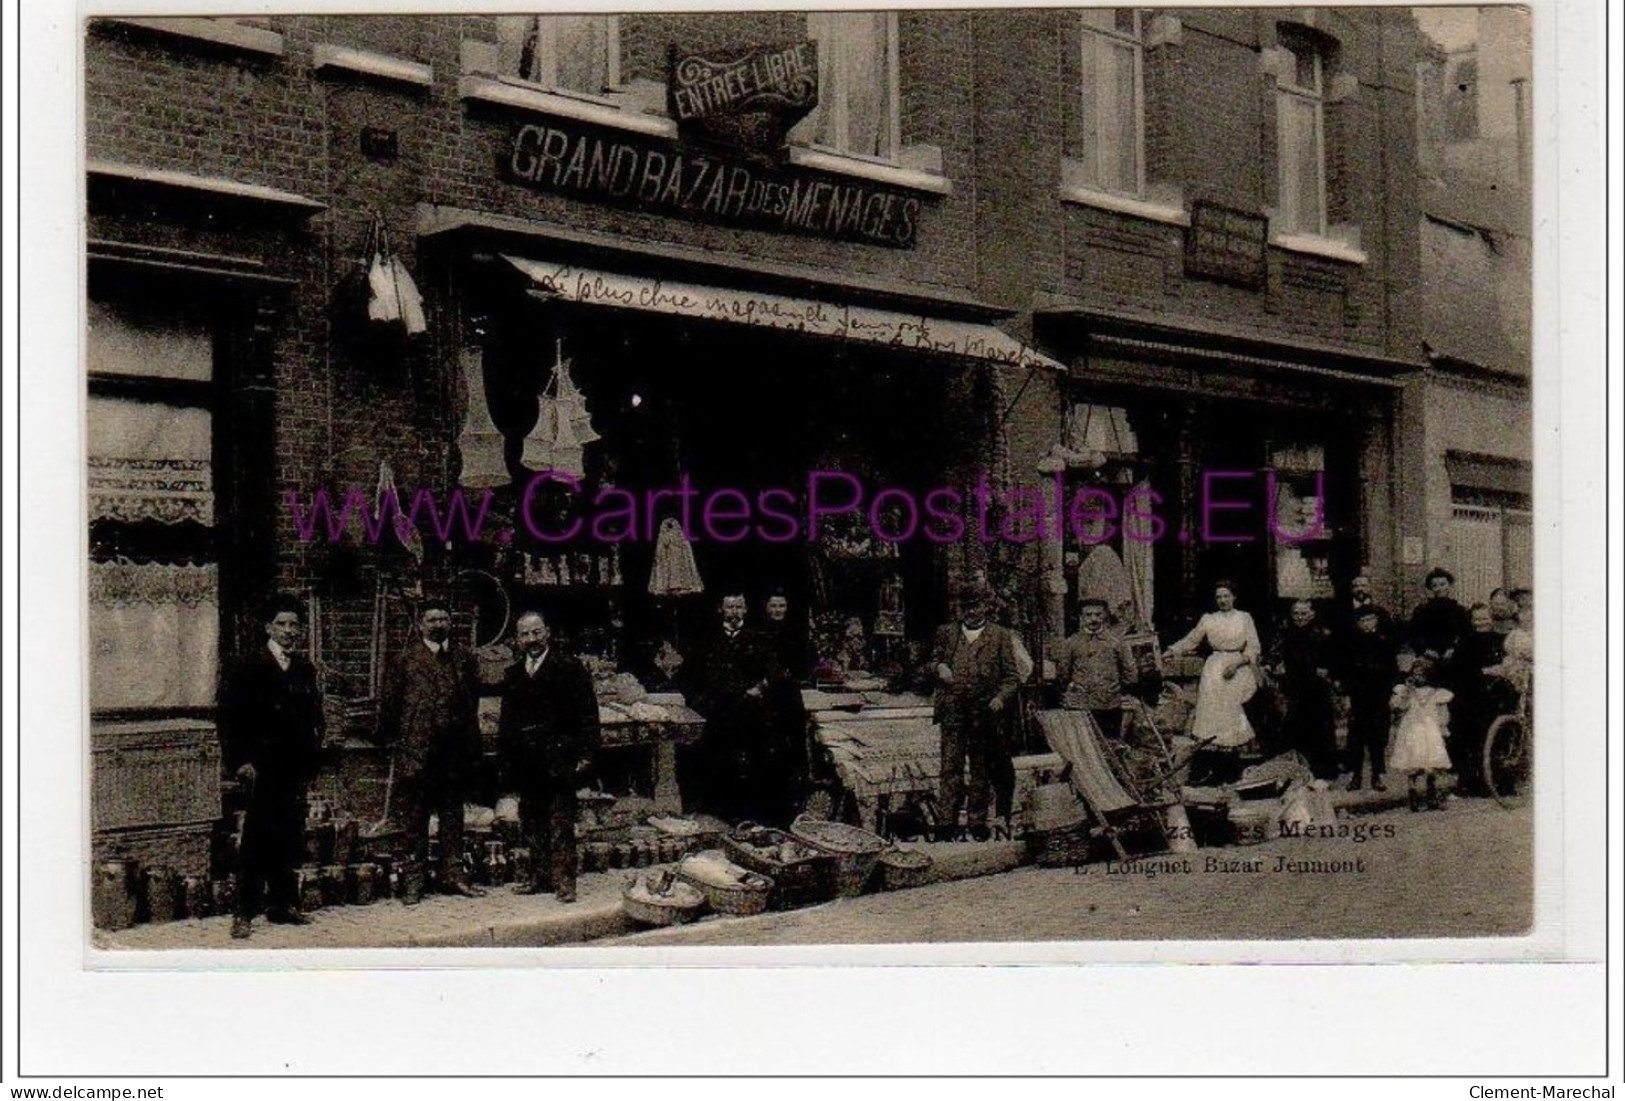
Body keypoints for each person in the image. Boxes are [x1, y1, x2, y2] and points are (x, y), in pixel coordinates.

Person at [221, 594, 326, 940]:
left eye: (294, 624)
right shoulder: (247, 665)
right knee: (256, 836)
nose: (289, 631)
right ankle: (244, 911)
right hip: (260, 765)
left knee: (289, 832)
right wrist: (240, 761)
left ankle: (282, 905)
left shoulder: (304, 669)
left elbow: (314, 716)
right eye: (281, 624)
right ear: (268, 627)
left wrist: (313, 753)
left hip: (294, 764)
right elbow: (230, 718)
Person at [378, 596, 487, 900]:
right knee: (415, 818)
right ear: (419, 624)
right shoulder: (405, 660)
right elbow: (390, 707)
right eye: (432, 619)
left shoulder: (464, 659)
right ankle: (414, 881)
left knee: (453, 816)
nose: (439, 624)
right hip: (418, 751)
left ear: (451, 623)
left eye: (443, 619)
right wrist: (397, 745)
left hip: (453, 753)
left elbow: (471, 704)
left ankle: (452, 875)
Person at [498, 611, 600, 903]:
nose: (531, 639)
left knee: (560, 822)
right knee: (532, 819)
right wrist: (507, 761)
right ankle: (539, 877)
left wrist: (586, 752)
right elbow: (507, 723)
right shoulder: (514, 674)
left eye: (536, 632)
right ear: (517, 640)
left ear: (548, 633)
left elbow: (588, 714)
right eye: (525, 635)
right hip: (526, 761)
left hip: (559, 757)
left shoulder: (570, 668)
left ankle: (565, 882)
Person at [682, 593, 784, 825]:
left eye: (739, 607)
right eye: (730, 607)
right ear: (721, 610)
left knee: (750, 765)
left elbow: (773, 671)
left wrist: (760, 686)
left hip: (751, 715)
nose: (735, 612)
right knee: (720, 763)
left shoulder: (759, 640)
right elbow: (700, 676)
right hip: (720, 714)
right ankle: (721, 815)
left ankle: (748, 816)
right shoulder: (708, 641)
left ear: (746, 610)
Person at [932, 585, 1022, 841]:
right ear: (958, 609)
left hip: (983, 712)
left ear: (986, 607)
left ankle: (977, 822)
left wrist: (999, 698)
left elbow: (1012, 678)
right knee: (950, 766)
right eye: (965, 607)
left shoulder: (1001, 636)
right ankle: (945, 824)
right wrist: (939, 667)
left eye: (976, 606)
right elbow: (929, 662)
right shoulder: (947, 634)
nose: (971, 612)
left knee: (981, 767)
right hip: (953, 710)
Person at [1163, 581, 1261, 783]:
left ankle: (1233, 770)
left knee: (1232, 716)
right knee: (1212, 717)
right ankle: (1212, 770)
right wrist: (1172, 651)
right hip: (1214, 670)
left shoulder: (1244, 618)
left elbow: (1254, 647)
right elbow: (1191, 640)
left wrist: (1238, 663)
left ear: (1234, 597)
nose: (1223, 600)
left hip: (1237, 670)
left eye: (1226, 596)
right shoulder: (1208, 619)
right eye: (1219, 597)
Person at [1268, 599, 1339, 780]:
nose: (1299, 618)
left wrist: (1327, 670)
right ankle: (1295, 772)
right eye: (1296, 614)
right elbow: (1274, 657)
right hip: (1294, 688)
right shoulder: (1285, 634)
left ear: (1311, 615)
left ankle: (1322, 772)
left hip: (1317, 689)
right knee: (1294, 729)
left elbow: (1333, 659)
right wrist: (1273, 667)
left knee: (1320, 729)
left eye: (1303, 614)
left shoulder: (1322, 634)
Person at [1049, 596, 1136, 739]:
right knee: (1085, 746)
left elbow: (1129, 671)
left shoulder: (1116, 642)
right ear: (1081, 617)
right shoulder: (1071, 643)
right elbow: (1063, 672)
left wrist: (1122, 691)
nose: (1093, 619)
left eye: (1098, 614)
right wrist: (1071, 689)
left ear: (1105, 616)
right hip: (1081, 705)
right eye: (1088, 615)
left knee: (1110, 745)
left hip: (1110, 704)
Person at [1448, 603, 1508, 796]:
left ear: (1491, 620)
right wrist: (1482, 673)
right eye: (1477, 619)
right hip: (1472, 698)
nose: (1481, 622)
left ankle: (1499, 781)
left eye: (1484, 618)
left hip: (1496, 697)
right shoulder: (1465, 643)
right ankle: (1473, 782)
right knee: (1472, 741)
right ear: (1471, 621)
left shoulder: (1501, 640)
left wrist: (1501, 671)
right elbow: (1459, 671)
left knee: (1497, 739)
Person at [1338, 605, 1399, 791]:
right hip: (1359, 696)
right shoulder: (1351, 643)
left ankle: (1377, 775)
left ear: (1376, 621)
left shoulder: (1385, 641)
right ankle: (1356, 775)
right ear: (1357, 624)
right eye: (1362, 620)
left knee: (1378, 738)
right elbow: (1346, 672)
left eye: (1370, 619)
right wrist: (1346, 695)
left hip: (1380, 696)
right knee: (1356, 738)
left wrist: (1393, 693)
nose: (1366, 624)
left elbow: (1392, 670)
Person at [1388, 658, 1453, 811]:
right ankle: (1413, 795)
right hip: (1412, 729)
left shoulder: (1436, 693)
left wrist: (1443, 727)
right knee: (1413, 763)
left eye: (1421, 674)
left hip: (1430, 731)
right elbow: (1397, 706)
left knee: (1431, 764)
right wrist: (1407, 692)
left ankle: (1432, 796)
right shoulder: (1406, 691)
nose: (1418, 677)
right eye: (1415, 673)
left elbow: (1442, 713)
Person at [1408, 567, 1472, 668]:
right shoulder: (1421, 611)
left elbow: (1465, 634)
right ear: (1431, 588)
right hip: (1428, 657)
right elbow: (1414, 634)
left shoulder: (1460, 611)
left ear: (1449, 586)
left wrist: (1453, 649)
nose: (1439, 588)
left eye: (1443, 584)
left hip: (1454, 657)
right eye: (1435, 585)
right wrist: (1425, 650)